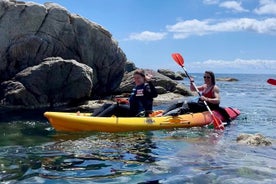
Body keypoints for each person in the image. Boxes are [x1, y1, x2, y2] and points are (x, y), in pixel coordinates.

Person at [163, 71, 230, 121]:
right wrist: (192, 83)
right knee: (179, 103)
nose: (206, 78)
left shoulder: (214, 88)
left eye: (208, 77)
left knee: (189, 104)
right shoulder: (205, 86)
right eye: (205, 77)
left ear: (212, 78)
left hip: (209, 106)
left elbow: (218, 100)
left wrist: (206, 99)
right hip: (202, 105)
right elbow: (193, 89)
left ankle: (177, 114)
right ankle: (164, 113)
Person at [93, 69, 158, 117]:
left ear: (143, 78)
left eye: (138, 78)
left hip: (140, 113)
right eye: (135, 78)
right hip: (132, 110)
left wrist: (149, 82)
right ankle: (92, 117)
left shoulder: (146, 86)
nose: (136, 80)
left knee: (115, 107)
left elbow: (154, 94)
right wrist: (126, 101)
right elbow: (135, 100)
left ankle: (95, 120)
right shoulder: (136, 87)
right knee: (107, 104)